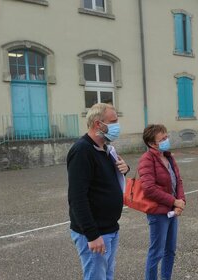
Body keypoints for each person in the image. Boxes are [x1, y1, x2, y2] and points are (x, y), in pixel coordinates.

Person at [67, 103, 129, 280]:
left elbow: (106, 179)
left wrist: (125, 168)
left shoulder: (105, 149)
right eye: (113, 121)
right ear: (97, 124)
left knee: (107, 275)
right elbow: (77, 198)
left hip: (110, 228)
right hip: (96, 232)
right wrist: (92, 235)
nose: (117, 126)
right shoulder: (81, 151)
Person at [138, 124, 186, 280]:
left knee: (170, 250)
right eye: (163, 138)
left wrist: (181, 202)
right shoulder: (147, 159)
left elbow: (178, 180)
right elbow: (149, 189)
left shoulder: (168, 156)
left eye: (167, 137)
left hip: (172, 211)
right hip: (158, 213)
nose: (167, 140)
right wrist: (174, 201)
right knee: (156, 252)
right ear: (152, 144)